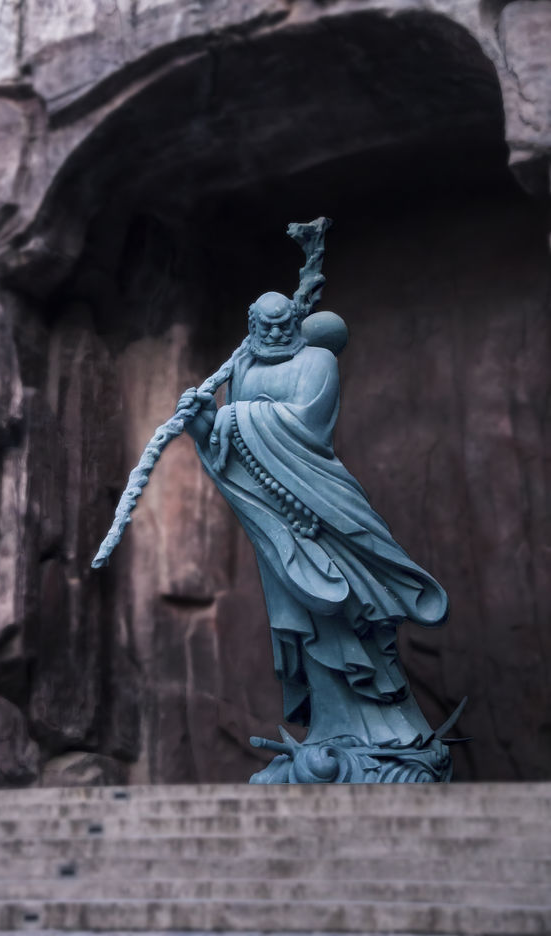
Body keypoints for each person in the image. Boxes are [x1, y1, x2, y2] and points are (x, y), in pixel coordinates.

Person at [177, 289, 451, 782]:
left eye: (285, 325)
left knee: (350, 608)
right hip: (274, 516)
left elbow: (308, 428)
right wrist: (204, 426)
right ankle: (331, 732)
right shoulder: (242, 367)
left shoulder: (318, 361)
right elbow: (231, 451)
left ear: (297, 322)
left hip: (322, 503)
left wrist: (234, 417)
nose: (277, 334)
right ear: (251, 322)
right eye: (266, 325)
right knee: (303, 620)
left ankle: (389, 737)